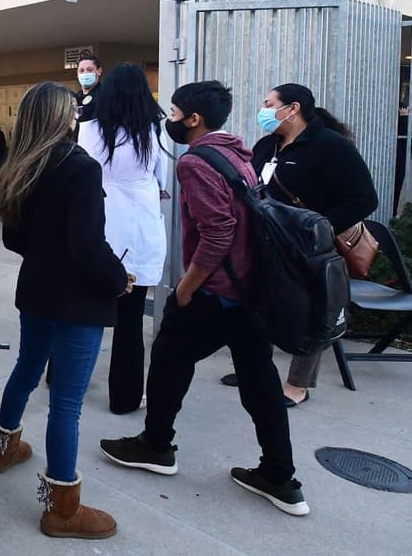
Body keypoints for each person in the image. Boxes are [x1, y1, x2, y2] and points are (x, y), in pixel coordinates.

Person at [100, 81, 309, 518]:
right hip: (250, 288)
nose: (169, 120)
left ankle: (156, 446)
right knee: (260, 382)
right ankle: (279, 476)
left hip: (218, 290)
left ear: (194, 119)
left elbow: (217, 232)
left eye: (174, 113)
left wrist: (186, 288)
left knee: (169, 357)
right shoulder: (239, 153)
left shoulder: (195, 162)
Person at [0, 82, 128, 540]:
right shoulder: (79, 166)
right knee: (66, 404)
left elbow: (13, 238)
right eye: (72, 109)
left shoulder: (18, 164)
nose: (77, 115)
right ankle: (63, 510)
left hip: (37, 293)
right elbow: (88, 245)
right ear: (58, 116)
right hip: (77, 300)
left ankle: (1, 449)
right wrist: (117, 278)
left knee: (26, 372)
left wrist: (46, 253)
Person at [220, 84, 377, 407]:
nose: (263, 111)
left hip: (310, 248)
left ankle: (297, 385)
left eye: (268, 104)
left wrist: (318, 228)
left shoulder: (330, 146)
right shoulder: (267, 145)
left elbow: (363, 199)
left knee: (310, 310)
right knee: (258, 306)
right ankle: (256, 369)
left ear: (292, 108)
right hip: (266, 242)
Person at [77, 62, 168, 414]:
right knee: (129, 321)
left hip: (99, 221)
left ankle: (65, 377)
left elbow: (84, 170)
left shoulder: (90, 126)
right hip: (140, 226)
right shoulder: (152, 128)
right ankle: (126, 398)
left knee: (83, 311)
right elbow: (161, 179)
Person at [395, 101, 412, 216]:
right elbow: (410, 138)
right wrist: (404, 118)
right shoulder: (403, 120)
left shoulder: (403, 120)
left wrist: (404, 118)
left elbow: (410, 138)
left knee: (394, 191)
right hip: (398, 160)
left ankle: (391, 213)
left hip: (398, 160)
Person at [73, 55, 103, 124]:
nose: (85, 73)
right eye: (81, 70)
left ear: (99, 71)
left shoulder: (105, 95)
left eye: (89, 70)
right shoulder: (75, 97)